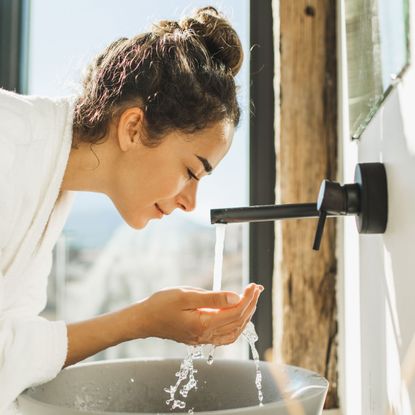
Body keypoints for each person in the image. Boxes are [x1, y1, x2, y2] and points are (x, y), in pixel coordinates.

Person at [0, 7, 263, 413]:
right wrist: (140, 321)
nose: (190, 202)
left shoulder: (52, 189)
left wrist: (143, 319)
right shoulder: (9, 142)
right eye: (192, 171)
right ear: (133, 128)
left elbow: (12, 351)